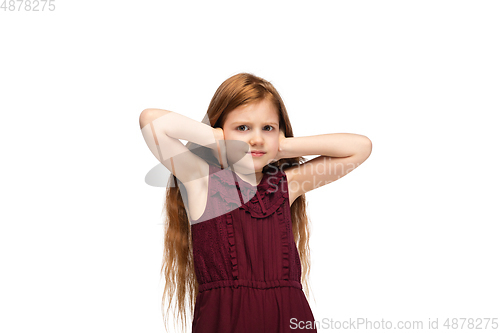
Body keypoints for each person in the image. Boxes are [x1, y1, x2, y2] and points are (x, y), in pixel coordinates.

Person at [139, 73, 372, 333]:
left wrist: (281, 147)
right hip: (225, 323)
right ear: (218, 130)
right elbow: (151, 120)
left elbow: (360, 147)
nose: (256, 139)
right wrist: (220, 142)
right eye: (242, 127)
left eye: (268, 128)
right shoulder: (201, 180)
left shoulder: (286, 184)